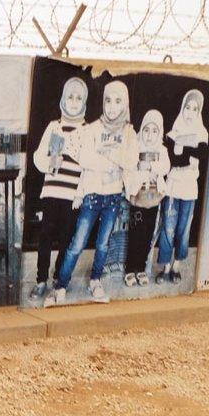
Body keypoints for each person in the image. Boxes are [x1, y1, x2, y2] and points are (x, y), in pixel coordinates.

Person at [45, 80, 137, 307]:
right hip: (92, 196)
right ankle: (61, 285)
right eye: (108, 100)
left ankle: (96, 280)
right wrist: (111, 161)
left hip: (114, 198)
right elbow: (85, 159)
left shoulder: (128, 131)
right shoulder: (93, 128)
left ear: (124, 103)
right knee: (77, 244)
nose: (112, 106)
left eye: (118, 101)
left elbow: (130, 161)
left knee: (104, 244)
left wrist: (111, 157)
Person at [30, 76, 88, 300]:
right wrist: (50, 163)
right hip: (52, 191)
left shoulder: (86, 130)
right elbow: (38, 156)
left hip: (71, 195)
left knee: (66, 239)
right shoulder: (54, 126)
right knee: (45, 237)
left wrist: (79, 194)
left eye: (79, 98)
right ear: (64, 99)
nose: (74, 102)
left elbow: (87, 166)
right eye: (70, 97)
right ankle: (40, 280)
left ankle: (58, 279)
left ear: (84, 102)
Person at [157, 89, 208, 283]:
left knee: (183, 229)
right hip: (172, 188)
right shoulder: (172, 132)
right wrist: (187, 154)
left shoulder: (202, 133)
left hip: (189, 190)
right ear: (183, 108)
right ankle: (165, 267)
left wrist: (183, 152)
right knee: (168, 227)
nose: (190, 112)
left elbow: (198, 159)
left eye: (195, 109)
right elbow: (173, 160)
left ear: (198, 112)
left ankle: (177, 266)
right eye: (188, 107)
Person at [123, 109, 171, 287]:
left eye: (154, 131)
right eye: (146, 130)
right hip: (138, 199)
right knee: (135, 235)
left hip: (153, 199)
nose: (149, 135)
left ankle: (141, 268)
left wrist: (150, 166)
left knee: (147, 235)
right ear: (141, 129)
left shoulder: (162, 150)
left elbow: (165, 167)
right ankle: (130, 269)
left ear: (160, 133)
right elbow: (129, 170)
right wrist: (141, 173)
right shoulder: (135, 147)